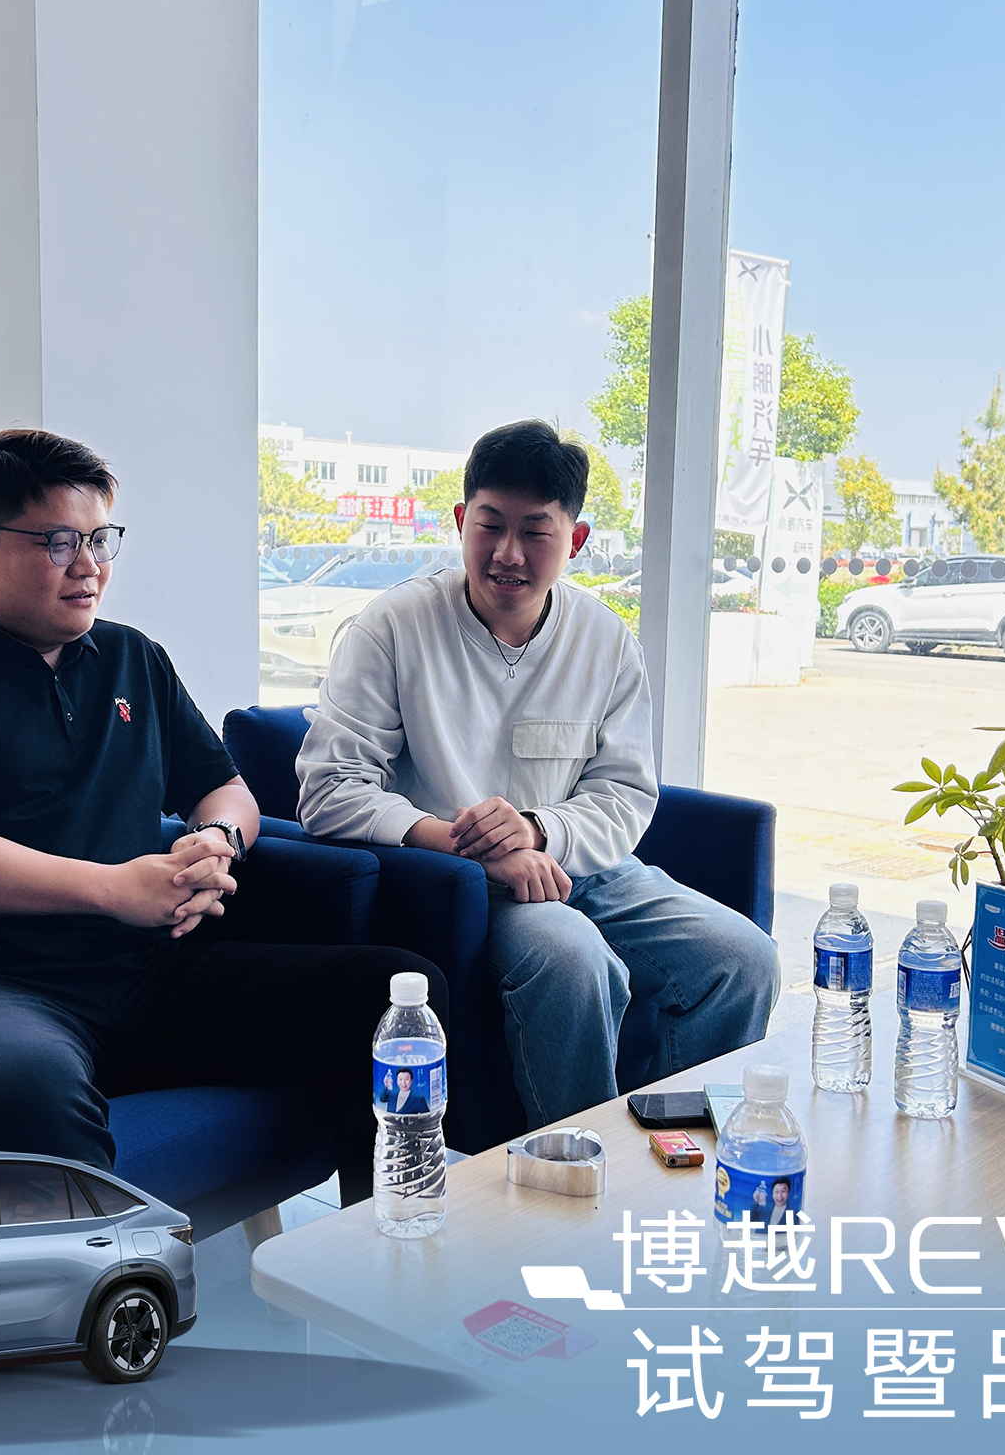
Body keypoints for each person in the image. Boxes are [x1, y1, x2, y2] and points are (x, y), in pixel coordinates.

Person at [0, 428, 445, 1207]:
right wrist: (113, 889)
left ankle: (387, 1245)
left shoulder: (131, 659)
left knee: (397, 997)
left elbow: (227, 790)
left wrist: (215, 844)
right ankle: (104, 1287)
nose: (88, 566)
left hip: (148, 973)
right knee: (27, 1088)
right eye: (57, 543)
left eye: (99, 539)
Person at [296, 419, 778, 1130]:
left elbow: (624, 791)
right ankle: (576, 1162)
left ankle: (666, 1143)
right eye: (490, 526)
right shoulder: (392, 627)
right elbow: (328, 790)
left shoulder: (604, 639)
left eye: (535, 532)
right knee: (574, 961)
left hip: (588, 868)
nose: (507, 554)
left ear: (575, 540)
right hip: (460, 886)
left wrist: (535, 830)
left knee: (745, 960)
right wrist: (468, 846)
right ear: (460, 521)